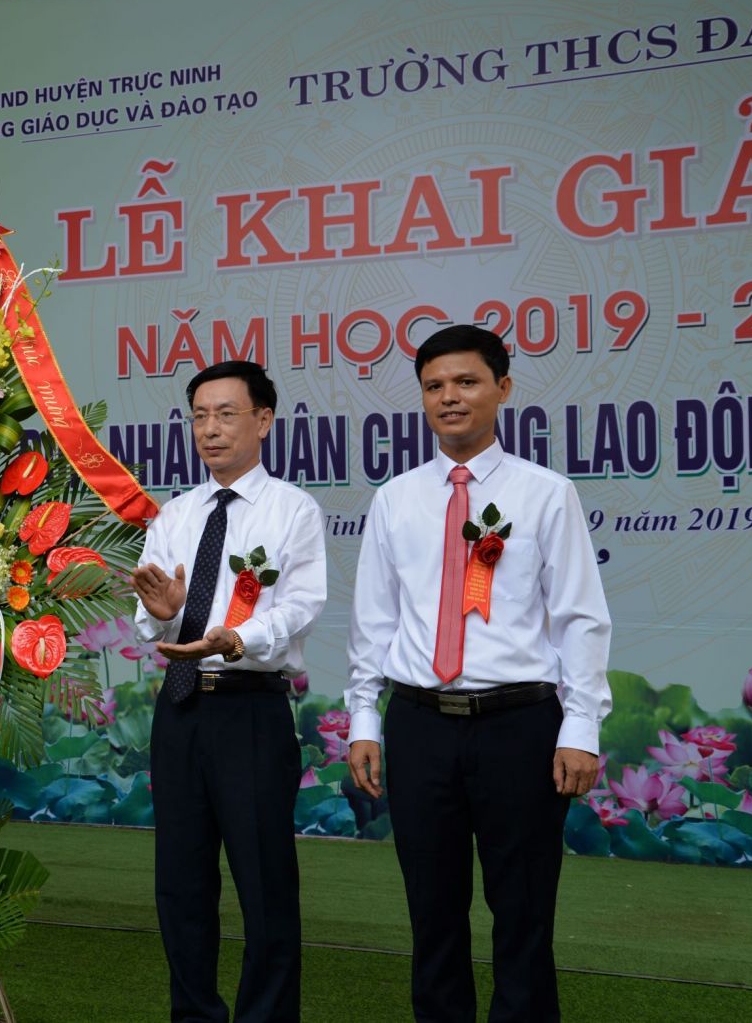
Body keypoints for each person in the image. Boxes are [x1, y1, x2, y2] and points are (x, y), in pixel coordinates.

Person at [344, 324, 611, 1023]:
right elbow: (373, 620)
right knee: (431, 912)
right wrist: (365, 719)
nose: (449, 397)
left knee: (523, 912)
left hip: (519, 726)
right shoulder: (395, 498)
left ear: (503, 388)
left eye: (466, 382)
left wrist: (581, 727)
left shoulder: (546, 493)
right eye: (434, 386)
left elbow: (580, 617)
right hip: (420, 724)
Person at [129, 360, 326, 1023]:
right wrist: (164, 611)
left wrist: (235, 639)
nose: (210, 430)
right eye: (199, 417)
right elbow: (149, 616)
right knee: (180, 883)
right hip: (180, 706)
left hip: (250, 710)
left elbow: (301, 606)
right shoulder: (176, 514)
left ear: (263, 420)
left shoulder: (293, 511)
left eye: (225, 414)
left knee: (265, 884)